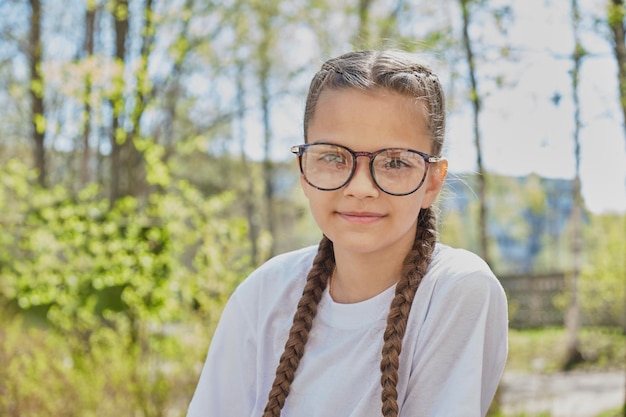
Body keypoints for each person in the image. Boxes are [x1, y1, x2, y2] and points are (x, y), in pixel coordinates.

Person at [186, 50, 508, 417]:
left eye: (395, 162)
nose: (360, 187)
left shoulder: (456, 289)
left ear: (432, 181)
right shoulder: (264, 293)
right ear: (304, 171)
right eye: (334, 157)